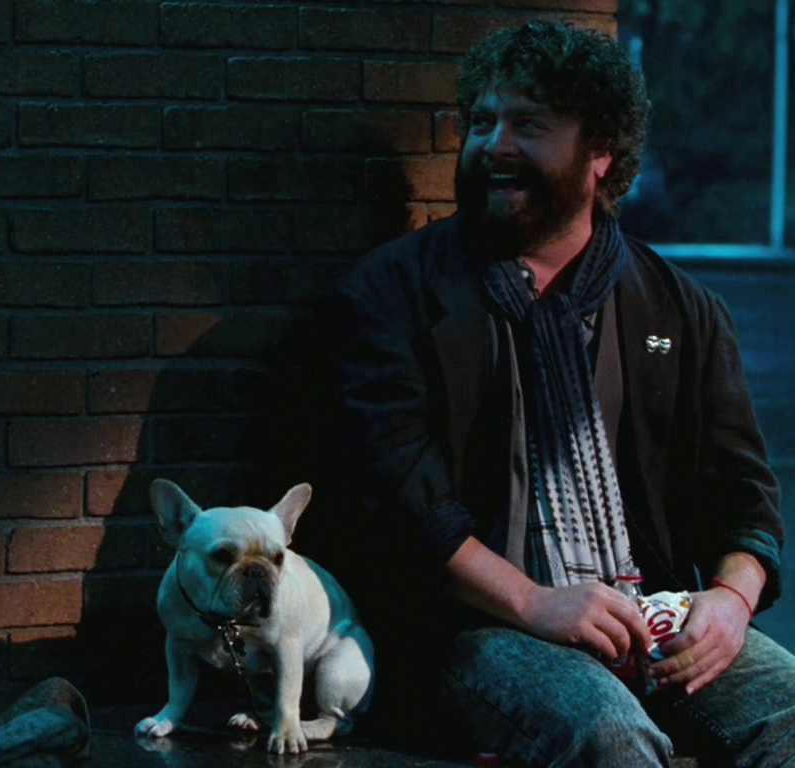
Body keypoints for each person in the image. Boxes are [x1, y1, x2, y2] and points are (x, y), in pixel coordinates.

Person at [324, 20, 795, 766]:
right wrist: (537, 603)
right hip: (479, 627)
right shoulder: (391, 294)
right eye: (483, 122)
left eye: (529, 125)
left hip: (649, 616)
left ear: (601, 152)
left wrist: (731, 603)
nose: (495, 145)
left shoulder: (682, 311)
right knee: (607, 732)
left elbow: (745, 501)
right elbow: (402, 506)